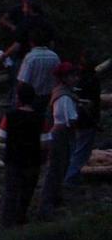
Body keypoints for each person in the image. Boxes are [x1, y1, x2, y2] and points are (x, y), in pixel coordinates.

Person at [0, 82, 48, 227]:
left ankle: (7, 222)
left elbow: (1, 135)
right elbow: (45, 142)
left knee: (11, 191)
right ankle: (21, 217)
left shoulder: (10, 115)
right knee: (27, 191)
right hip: (32, 160)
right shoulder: (40, 118)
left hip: (13, 159)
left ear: (18, 98)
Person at [39, 63, 79, 220]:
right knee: (54, 170)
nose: (76, 79)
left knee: (60, 168)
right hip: (59, 136)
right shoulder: (64, 97)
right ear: (64, 78)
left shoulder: (63, 92)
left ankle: (55, 198)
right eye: (72, 76)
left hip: (59, 135)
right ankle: (45, 206)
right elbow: (70, 120)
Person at [64, 55, 101, 185]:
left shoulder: (75, 79)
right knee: (81, 151)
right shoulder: (92, 80)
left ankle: (70, 174)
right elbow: (92, 103)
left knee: (74, 148)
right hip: (87, 120)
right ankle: (70, 177)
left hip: (73, 118)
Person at [16, 26, 60, 113]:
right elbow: (58, 77)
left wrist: (18, 97)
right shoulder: (54, 56)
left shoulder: (30, 57)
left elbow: (23, 81)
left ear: (31, 42)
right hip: (49, 96)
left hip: (32, 97)